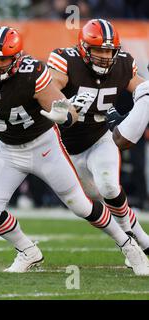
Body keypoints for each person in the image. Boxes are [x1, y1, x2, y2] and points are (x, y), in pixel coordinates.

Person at [0, 25, 149, 275]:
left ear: (17, 59)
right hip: (6, 149)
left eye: (3, 58)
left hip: (43, 146)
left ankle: (128, 245)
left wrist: (63, 114)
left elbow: (66, 112)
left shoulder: (33, 72)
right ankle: (28, 251)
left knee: (82, 205)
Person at [47, 19, 149, 255]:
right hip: (64, 149)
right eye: (99, 50)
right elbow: (52, 84)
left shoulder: (123, 64)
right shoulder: (66, 60)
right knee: (88, 202)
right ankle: (128, 241)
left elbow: (140, 87)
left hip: (99, 139)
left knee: (110, 187)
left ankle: (139, 242)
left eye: (109, 50)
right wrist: (59, 102)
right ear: (84, 48)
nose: (105, 56)